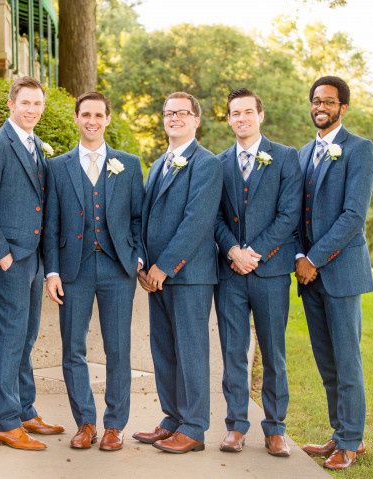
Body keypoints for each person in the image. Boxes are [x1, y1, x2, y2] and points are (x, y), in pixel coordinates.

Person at [43, 92, 144, 451]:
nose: (92, 120)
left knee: (118, 348)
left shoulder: (128, 164)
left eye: (99, 114)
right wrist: (51, 271)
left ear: (108, 119)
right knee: (73, 348)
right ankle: (85, 422)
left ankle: (115, 425)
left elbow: (138, 219)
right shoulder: (56, 167)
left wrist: (137, 258)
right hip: (74, 268)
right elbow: (51, 224)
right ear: (76, 118)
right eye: (86, 114)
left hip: (118, 269)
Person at [0, 76, 64, 451]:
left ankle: (25, 409)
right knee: (9, 340)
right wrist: (1, 254)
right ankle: (6, 422)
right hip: (9, 260)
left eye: (37, 104)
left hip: (35, 259)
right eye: (25, 103)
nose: (32, 110)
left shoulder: (37, 146)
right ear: (11, 104)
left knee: (25, 338)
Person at [214, 88, 302, 457]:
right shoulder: (217, 163)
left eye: (248, 112)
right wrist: (233, 249)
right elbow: (214, 216)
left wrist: (256, 253)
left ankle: (275, 428)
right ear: (229, 119)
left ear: (260, 115)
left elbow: (289, 215)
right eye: (235, 113)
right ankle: (236, 425)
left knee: (273, 352)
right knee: (233, 351)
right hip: (231, 273)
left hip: (271, 273)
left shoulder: (285, 158)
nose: (242, 118)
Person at [132, 92, 221, 454]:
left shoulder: (207, 164)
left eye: (182, 113)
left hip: (188, 276)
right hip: (156, 277)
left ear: (196, 120)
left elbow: (197, 222)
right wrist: (142, 262)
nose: (174, 118)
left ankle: (195, 427)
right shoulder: (158, 164)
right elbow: (144, 217)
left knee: (191, 350)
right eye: (169, 113)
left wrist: (164, 266)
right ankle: (171, 419)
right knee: (164, 350)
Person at [296, 76, 373, 471]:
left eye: (328, 101)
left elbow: (353, 217)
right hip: (308, 276)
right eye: (316, 100)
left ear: (343, 107)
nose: (320, 106)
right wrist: (298, 257)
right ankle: (339, 433)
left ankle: (351, 442)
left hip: (340, 274)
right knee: (327, 362)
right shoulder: (302, 153)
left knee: (347, 360)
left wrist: (314, 258)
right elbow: (294, 213)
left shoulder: (359, 150)